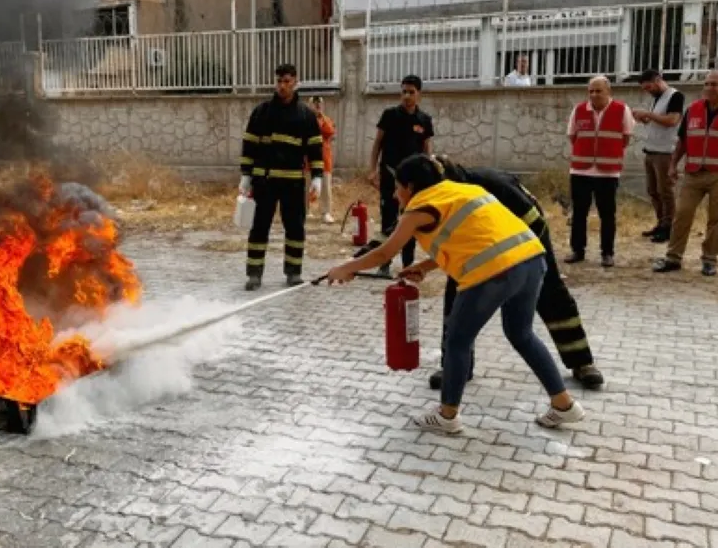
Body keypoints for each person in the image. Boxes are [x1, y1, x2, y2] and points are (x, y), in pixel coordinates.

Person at [326, 154, 586, 435]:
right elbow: (477, 235)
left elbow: (385, 252)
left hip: (494, 272)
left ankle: (448, 415)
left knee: (458, 340)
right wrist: (425, 266)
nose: (394, 193)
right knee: (521, 333)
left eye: (396, 186)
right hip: (533, 260)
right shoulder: (466, 191)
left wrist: (345, 268)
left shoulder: (418, 208)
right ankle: (564, 405)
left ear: (410, 186)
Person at [429, 157, 605, 390]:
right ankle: (455, 366)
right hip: (481, 244)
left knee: (550, 289)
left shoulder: (495, 186)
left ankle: (582, 362)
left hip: (527, 236)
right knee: (458, 294)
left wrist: (526, 262)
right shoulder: (446, 197)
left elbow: (534, 223)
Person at [653, 69, 718, 277]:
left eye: (714, 84)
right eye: (706, 84)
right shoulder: (693, 109)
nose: (708, 88)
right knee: (682, 214)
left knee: (716, 219)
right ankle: (673, 257)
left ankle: (709, 260)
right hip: (693, 173)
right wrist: (673, 165)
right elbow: (683, 141)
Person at [239, 63, 324, 291]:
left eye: (287, 81)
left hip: (293, 182)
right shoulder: (262, 111)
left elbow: (315, 149)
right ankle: (254, 274)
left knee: (295, 227)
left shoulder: (306, 116)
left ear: (295, 82)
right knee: (259, 227)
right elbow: (249, 145)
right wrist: (245, 176)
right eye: (279, 81)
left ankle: (294, 273)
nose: (282, 86)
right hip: (263, 181)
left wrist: (317, 178)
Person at [565, 75, 634, 268]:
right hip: (581, 170)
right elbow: (573, 136)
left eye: (598, 91)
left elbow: (626, 137)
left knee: (607, 214)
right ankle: (577, 250)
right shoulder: (578, 110)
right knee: (579, 213)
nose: (594, 95)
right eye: (591, 91)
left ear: (608, 91)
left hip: (607, 172)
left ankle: (607, 253)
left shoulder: (622, 110)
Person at [368, 75, 434, 277]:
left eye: (411, 92)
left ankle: (408, 266)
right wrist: (373, 171)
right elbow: (377, 143)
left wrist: (430, 176)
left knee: (411, 222)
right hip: (390, 176)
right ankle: (384, 264)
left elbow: (427, 150)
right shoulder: (390, 115)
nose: (406, 96)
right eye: (404, 91)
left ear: (419, 94)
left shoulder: (424, 120)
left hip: (413, 183)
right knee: (388, 220)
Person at [633, 70, 684, 243]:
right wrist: (645, 119)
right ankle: (661, 223)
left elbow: (672, 121)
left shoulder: (675, 96)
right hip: (651, 150)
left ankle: (669, 228)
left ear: (657, 80)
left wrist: (648, 114)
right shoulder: (657, 98)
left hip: (665, 152)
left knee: (666, 192)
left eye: (649, 87)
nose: (648, 90)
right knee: (653, 191)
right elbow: (659, 121)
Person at [305, 96, 336, 224]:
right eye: (314, 103)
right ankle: (305, 211)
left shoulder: (326, 119)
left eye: (319, 103)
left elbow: (329, 131)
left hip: (324, 159)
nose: (317, 105)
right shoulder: (305, 120)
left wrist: (320, 117)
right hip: (308, 160)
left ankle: (326, 212)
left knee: (325, 188)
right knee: (306, 186)